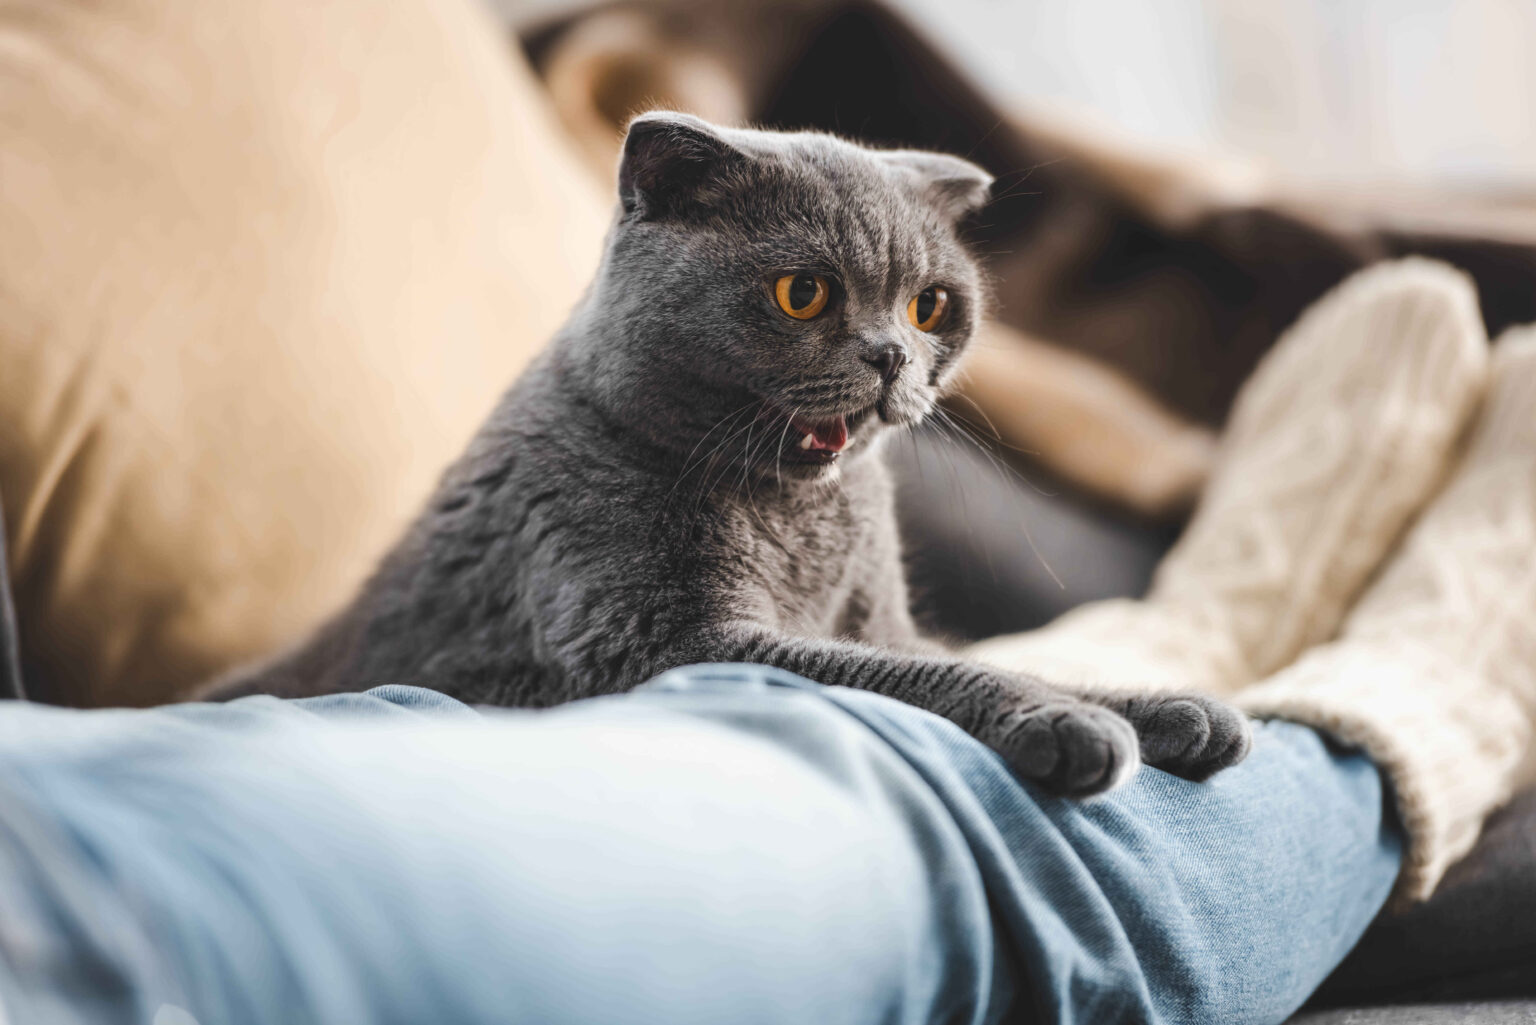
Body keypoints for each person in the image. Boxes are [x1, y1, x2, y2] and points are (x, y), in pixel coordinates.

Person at [2, 262, 1534, 1025]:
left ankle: (1183, 629)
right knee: (955, 837)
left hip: (94, 786)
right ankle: (1414, 694)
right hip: (174, 910)